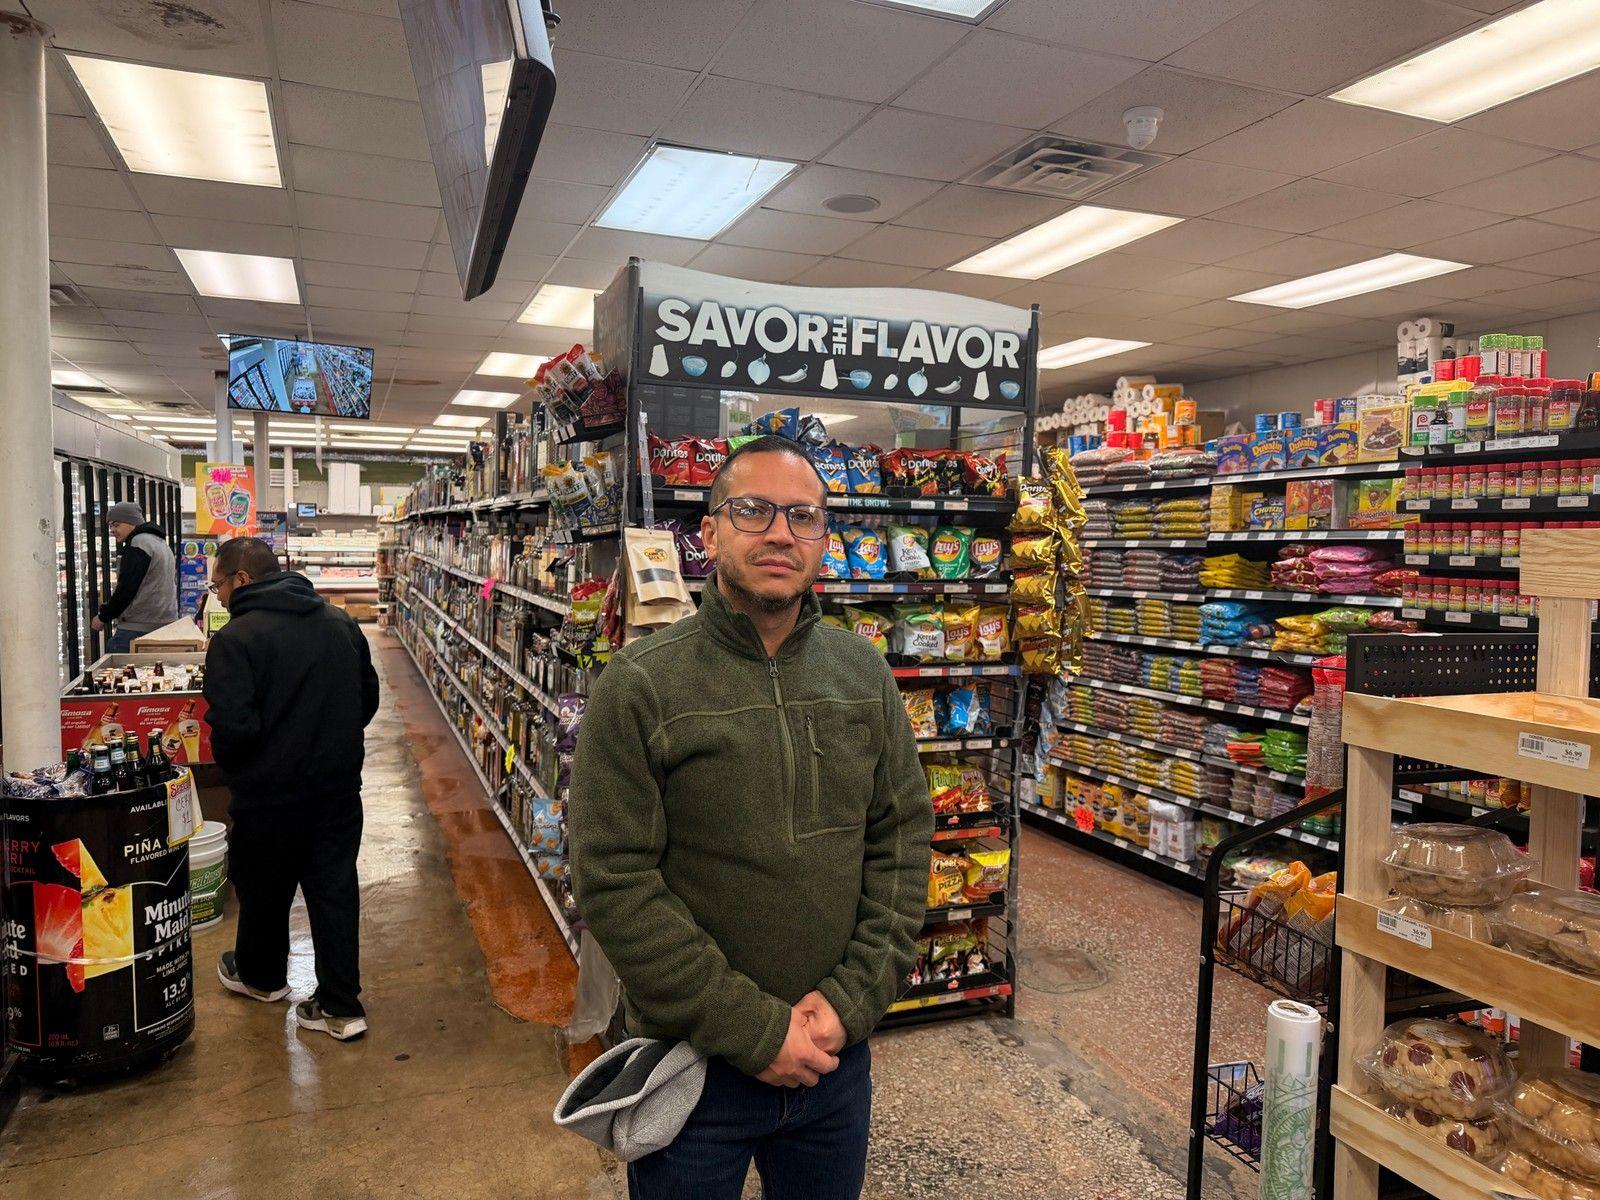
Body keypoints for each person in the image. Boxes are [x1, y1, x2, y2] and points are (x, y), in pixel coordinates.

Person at [570, 435, 933, 1199]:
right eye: (753, 510)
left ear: (824, 541)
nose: (779, 533)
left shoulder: (862, 673)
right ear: (709, 534)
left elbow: (901, 842)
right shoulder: (638, 686)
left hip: (835, 1060)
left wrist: (852, 1000)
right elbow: (615, 883)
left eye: (802, 516)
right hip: (693, 1071)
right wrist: (754, 1032)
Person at [202, 536, 380, 1041]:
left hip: (268, 796)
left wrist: (245, 771)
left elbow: (233, 728)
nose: (216, 595)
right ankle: (342, 1008)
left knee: (263, 888)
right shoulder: (340, 623)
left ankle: (262, 978)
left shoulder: (236, 640)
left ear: (241, 580)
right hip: (337, 790)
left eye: (218, 584)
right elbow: (366, 698)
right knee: (334, 891)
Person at [92, 501, 178, 653]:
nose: (112, 530)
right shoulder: (161, 543)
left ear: (131, 522)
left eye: (116, 525)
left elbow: (127, 588)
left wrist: (103, 616)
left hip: (137, 627)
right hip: (165, 624)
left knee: (121, 673)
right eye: (111, 526)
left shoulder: (138, 544)